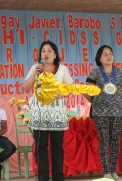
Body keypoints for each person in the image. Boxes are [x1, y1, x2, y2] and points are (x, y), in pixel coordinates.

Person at [24, 40, 73, 181]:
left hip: (57, 113)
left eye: (49, 51)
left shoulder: (62, 69)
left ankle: (58, 177)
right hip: (40, 114)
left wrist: (61, 93)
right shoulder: (35, 68)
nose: (46, 53)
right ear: (40, 54)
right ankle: (43, 178)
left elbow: (69, 88)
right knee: (41, 147)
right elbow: (26, 88)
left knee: (57, 146)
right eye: (43, 51)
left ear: (55, 54)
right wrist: (35, 73)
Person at [84, 45, 122, 181]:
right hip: (100, 113)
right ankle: (106, 172)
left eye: (111, 53)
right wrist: (98, 102)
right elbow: (87, 93)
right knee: (104, 140)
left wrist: (118, 101)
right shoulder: (95, 73)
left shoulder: (120, 72)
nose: (109, 56)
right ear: (100, 58)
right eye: (105, 54)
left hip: (117, 112)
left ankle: (114, 171)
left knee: (115, 140)